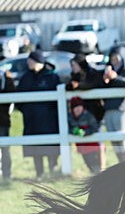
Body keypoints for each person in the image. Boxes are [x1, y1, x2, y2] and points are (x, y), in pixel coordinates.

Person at [16, 50, 61, 180]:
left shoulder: (52, 77)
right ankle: (39, 173)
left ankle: (53, 170)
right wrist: (28, 111)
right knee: (35, 147)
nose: (28, 62)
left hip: (49, 120)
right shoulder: (26, 78)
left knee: (51, 146)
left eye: (31, 60)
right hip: (32, 120)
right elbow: (19, 99)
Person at [102, 45, 125, 163]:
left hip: (123, 108)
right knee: (114, 141)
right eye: (112, 58)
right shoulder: (107, 69)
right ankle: (121, 165)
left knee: (122, 139)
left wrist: (116, 77)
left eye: (116, 58)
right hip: (109, 108)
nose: (114, 61)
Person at [67, 96, 102, 174]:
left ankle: (98, 176)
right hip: (81, 146)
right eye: (75, 107)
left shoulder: (88, 115)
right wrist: (74, 131)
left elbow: (94, 128)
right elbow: (68, 129)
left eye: (80, 106)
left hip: (92, 145)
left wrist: (85, 132)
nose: (78, 109)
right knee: (88, 162)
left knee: (95, 163)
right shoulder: (70, 117)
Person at [67, 53, 106, 122]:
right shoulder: (74, 76)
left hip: (94, 109)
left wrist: (78, 86)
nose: (73, 67)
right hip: (81, 112)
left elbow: (92, 84)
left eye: (74, 65)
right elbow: (69, 87)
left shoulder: (93, 73)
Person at [0, 68, 15, 182]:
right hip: (4, 118)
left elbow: (11, 96)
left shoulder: (5, 76)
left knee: (5, 148)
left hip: (2, 119)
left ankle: (7, 174)